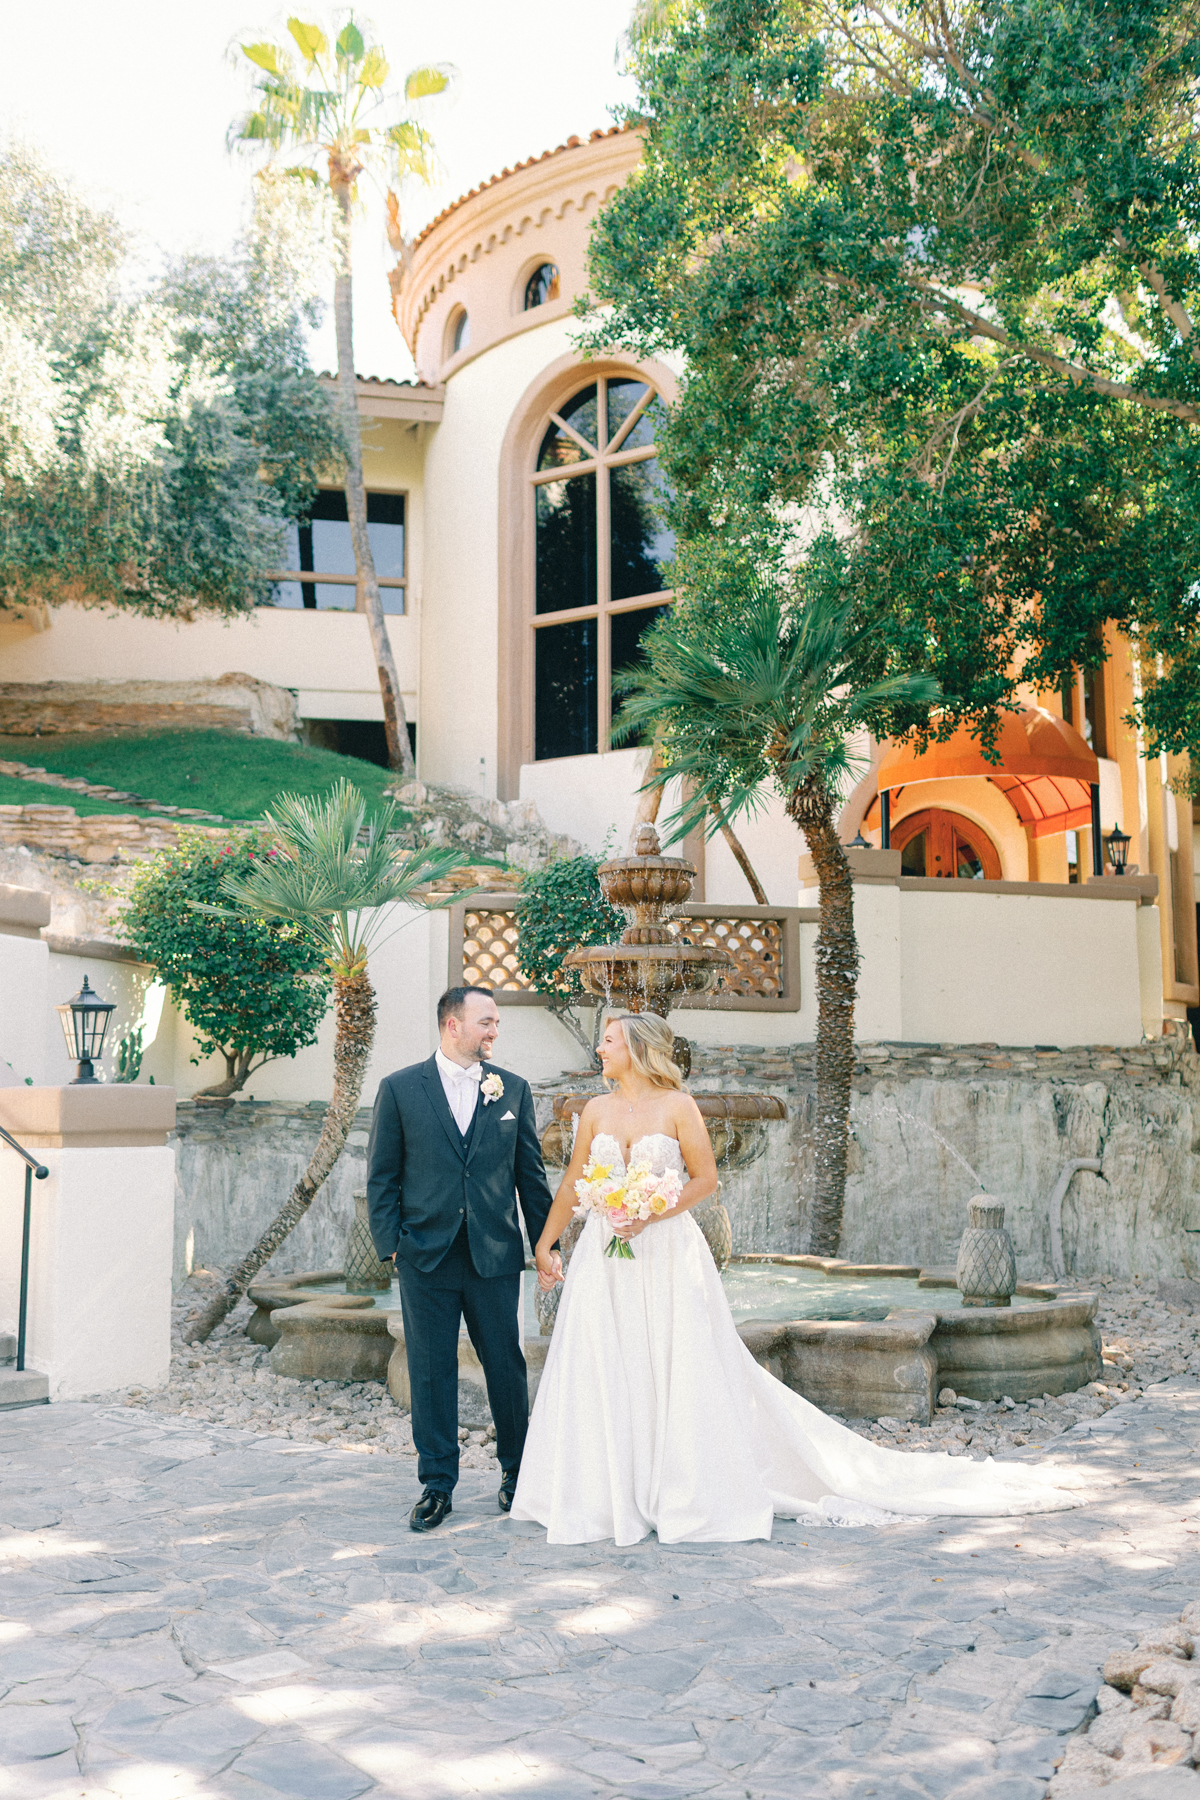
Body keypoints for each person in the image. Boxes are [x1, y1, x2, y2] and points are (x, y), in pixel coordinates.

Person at [512, 1011, 1081, 1546]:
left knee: (676, 1359)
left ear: (636, 1050)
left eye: (609, 1041)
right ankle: (607, 1492)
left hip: (665, 1252)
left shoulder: (678, 1106)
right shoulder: (595, 1110)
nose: (600, 1049)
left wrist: (651, 1213)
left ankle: (679, 1487)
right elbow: (573, 1183)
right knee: (607, 1360)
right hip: (606, 1258)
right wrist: (545, 1244)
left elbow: (705, 1180)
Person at [367, 985, 556, 1532]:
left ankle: (517, 1473)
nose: (495, 1030)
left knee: (506, 1366)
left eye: (495, 1022)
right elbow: (382, 1175)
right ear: (453, 1025)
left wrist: (545, 1245)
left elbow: (530, 1178)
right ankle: (437, 1485)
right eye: (486, 1022)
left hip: (494, 1254)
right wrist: (393, 1245)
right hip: (425, 1255)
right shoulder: (400, 1089)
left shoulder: (512, 1089)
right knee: (430, 1370)